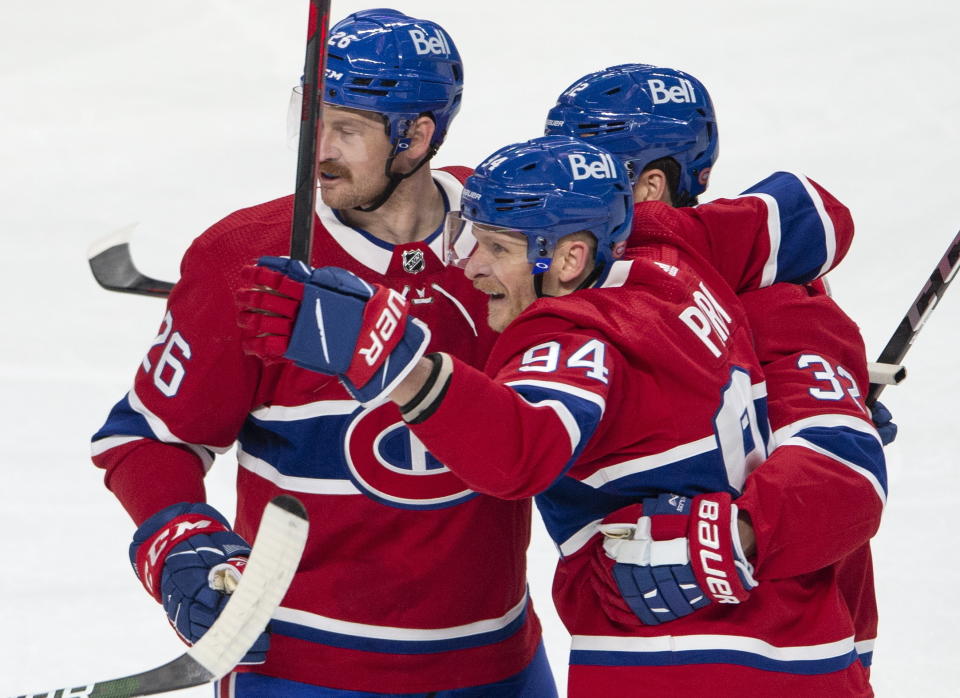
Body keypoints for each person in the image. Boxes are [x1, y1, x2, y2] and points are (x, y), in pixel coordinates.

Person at [235, 134, 827, 695]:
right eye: (471, 240)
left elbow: (521, 451)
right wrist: (826, 383)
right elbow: (813, 210)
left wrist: (392, 359)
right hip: (808, 646)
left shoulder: (575, 337)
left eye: (498, 248)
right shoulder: (675, 260)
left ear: (571, 258)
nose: (470, 268)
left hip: (676, 659)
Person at [91, 9, 557, 697]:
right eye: (313, 117)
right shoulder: (245, 258)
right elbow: (146, 439)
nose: (319, 148)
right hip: (302, 672)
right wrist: (179, 540)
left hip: (497, 666)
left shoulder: (512, 233)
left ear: (417, 136)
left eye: (348, 129)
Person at [546, 63, 887, 692]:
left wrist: (737, 533)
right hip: (631, 662)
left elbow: (847, 473)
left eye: (585, 171)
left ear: (649, 187)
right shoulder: (576, 296)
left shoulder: (778, 300)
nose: (559, 190)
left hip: (785, 663)